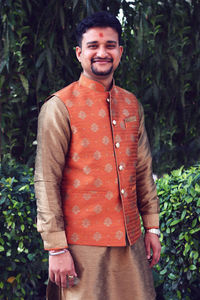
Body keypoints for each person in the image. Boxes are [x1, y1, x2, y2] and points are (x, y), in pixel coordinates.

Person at [34, 11, 161, 300]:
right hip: (81, 247)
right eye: (93, 46)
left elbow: (142, 170)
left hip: (131, 242)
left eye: (110, 46)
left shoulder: (130, 104)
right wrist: (56, 248)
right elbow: (45, 180)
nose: (102, 53)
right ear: (79, 53)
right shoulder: (59, 106)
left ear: (120, 52)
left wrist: (152, 228)